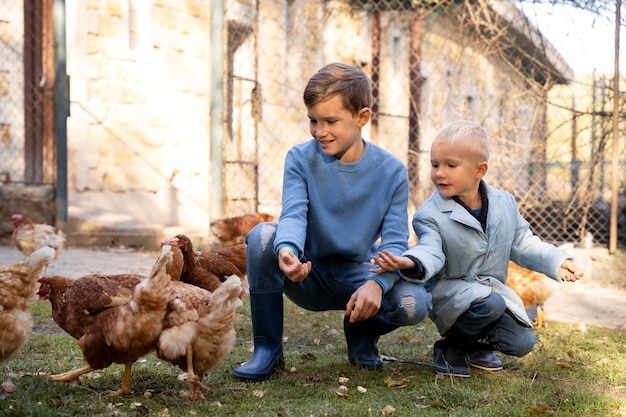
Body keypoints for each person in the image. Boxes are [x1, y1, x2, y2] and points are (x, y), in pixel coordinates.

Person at [232, 62, 432, 381]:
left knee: (414, 302)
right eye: (313, 120)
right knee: (263, 236)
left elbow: (395, 243)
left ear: (361, 118)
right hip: (307, 272)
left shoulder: (392, 172)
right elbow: (294, 214)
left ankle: (362, 334)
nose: (319, 131)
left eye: (330, 121)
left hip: (358, 274)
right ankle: (267, 350)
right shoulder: (300, 158)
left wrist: (376, 284)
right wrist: (287, 250)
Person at [371, 119, 584, 378]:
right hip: (449, 291)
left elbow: (524, 242)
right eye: (435, 164)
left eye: (451, 165)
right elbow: (430, 249)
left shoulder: (504, 204)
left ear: (479, 170)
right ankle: (450, 348)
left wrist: (557, 261)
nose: (439, 173)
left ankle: (475, 345)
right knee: (489, 303)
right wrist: (410, 262)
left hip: (491, 293)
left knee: (521, 342)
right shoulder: (430, 214)